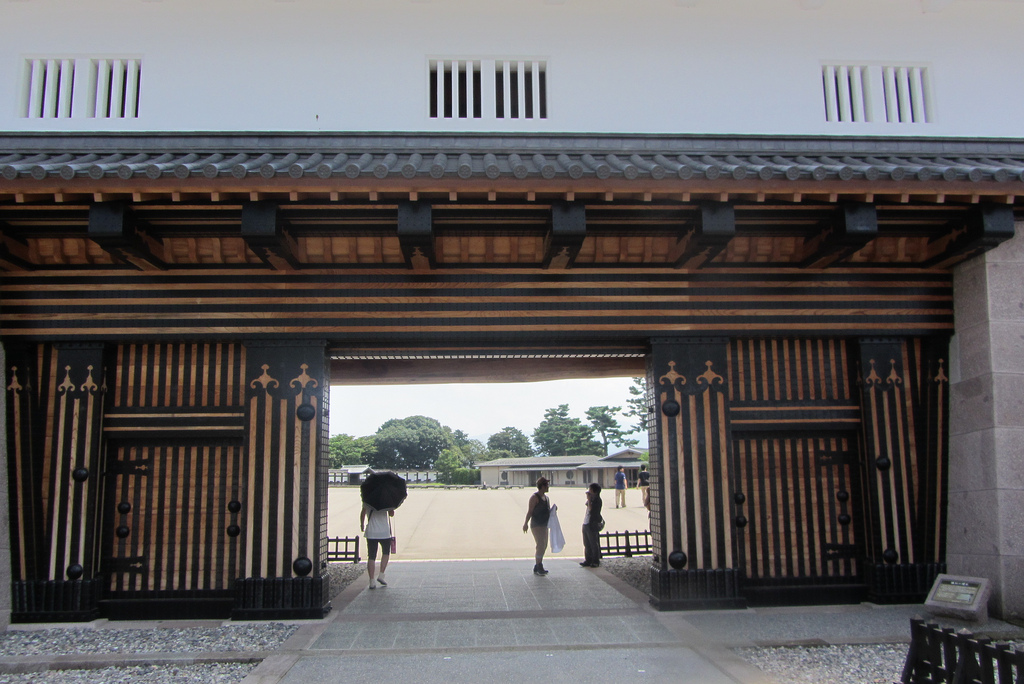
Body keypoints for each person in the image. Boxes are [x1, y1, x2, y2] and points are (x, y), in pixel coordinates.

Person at [360, 503, 394, 590]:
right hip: (384, 532)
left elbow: (363, 513)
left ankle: (371, 580)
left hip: (371, 532)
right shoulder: (386, 501)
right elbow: (391, 514)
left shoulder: (367, 501)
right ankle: (381, 575)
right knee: (386, 552)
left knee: (371, 556)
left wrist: (362, 525)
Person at [522, 477, 552, 575]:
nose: (548, 487)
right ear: (542, 486)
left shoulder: (546, 498)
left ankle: (538, 564)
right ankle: (539, 565)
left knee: (544, 545)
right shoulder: (535, 497)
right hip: (537, 524)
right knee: (540, 545)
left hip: (544, 524)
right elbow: (530, 511)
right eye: (546, 485)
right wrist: (525, 523)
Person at [580, 483, 603, 567]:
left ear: (594, 491)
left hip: (592, 523)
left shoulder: (597, 500)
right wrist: (589, 499)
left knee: (593, 543)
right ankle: (588, 559)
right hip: (586, 522)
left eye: (590, 490)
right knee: (586, 543)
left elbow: (591, 509)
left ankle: (595, 561)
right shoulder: (592, 499)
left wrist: (589, 499)